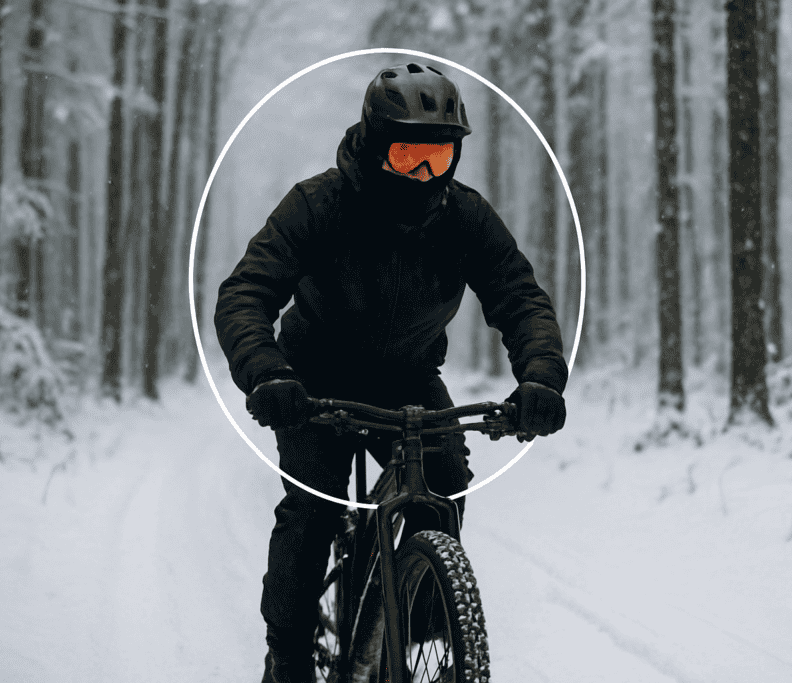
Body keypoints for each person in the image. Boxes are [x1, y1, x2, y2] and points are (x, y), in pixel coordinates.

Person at [214, 63, 568, 683]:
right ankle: (288, 657)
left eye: (440, 158)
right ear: (376, 145)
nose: (425, 174)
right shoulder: (317, 204)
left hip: (406, 377)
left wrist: (540, 376)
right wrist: (266, 374)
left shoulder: (464, 217)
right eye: (410, 156)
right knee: (312, 511)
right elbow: (245, 293)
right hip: (310, 380)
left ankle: (419, 608)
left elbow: (519, 296)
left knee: (446, 480)